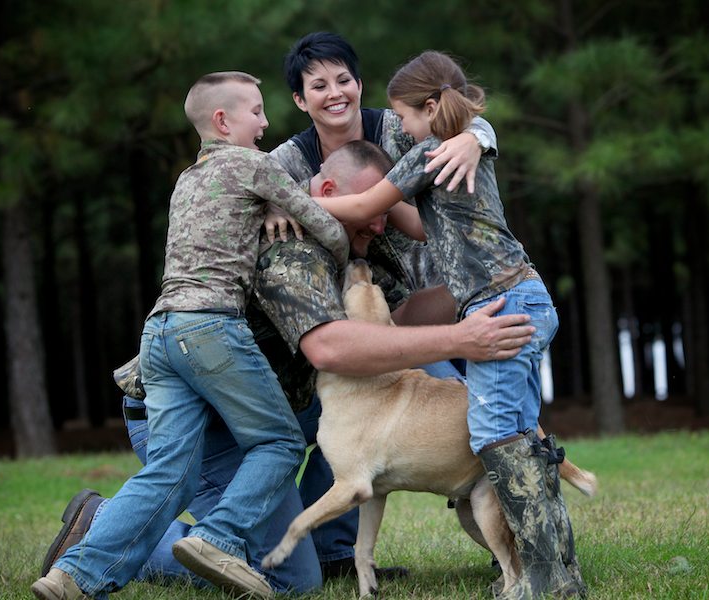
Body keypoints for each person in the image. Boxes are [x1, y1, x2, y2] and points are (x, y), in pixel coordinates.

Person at [32, 71, 352, 600]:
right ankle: (218, 537)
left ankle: (73, 575)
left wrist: (268, 203)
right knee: (277, 440)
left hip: (158, 332)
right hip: (210, 328)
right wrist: (324, 242)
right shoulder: (253, 163)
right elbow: (331, 232)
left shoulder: (187, 177)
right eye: (256, 111)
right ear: (223, 121)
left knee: (170, 472)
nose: (267, 122)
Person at [314, 51, 583, 599]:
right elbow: (413, 224)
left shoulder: (429, 153)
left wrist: (290, 197)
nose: (403, 128)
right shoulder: (457, 151)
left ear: (432, 108)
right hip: (520, 297)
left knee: (497, 437)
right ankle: (554, 567)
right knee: (518, 437)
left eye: (407, 117)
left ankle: (546, 579)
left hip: (503, 304)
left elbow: (367, 200)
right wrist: (478, 134)